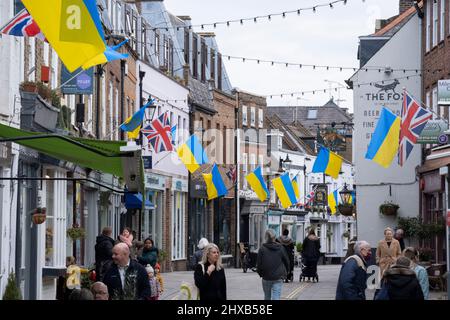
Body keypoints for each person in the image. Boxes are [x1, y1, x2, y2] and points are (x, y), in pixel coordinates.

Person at [256, 229, 290, 300]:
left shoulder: (262, 249)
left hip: (266, 277)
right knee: (276, 297)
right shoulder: (280, 248)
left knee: (267, 297)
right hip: (278, 277)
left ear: (265, 237)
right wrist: (287, 271)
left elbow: (259, 264)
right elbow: (286, 261)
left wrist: (260, 273)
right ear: (275, 237)